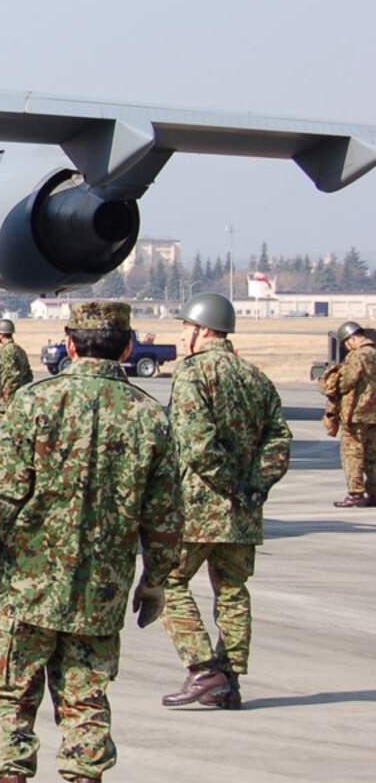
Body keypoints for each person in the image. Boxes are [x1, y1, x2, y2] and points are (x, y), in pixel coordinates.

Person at [0, 300, 181, 783]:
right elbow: (165, 517)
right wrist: (156, 580)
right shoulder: (150, 416)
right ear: (128, 348)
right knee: (86, 701)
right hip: (100, 594)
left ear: (70, 342)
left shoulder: (36, 402)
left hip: (28, 588)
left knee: (10, 699)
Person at [157, 292, 290, 712]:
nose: (183, 335)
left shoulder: (193, 374)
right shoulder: (256, 378)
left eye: (186, 328)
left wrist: (228, 483)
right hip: (243, 514)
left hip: (199, 507)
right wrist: (255, 485)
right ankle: (229, 679)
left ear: (203, 330)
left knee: (167, 583)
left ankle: (202, 669)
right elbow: (279, 441)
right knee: (233, 591)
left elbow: (195, 443)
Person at [319, 321, 376, 508]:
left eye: (346, 342)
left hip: (357, 413)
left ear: (352, 338)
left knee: (352, 454)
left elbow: (346, 382)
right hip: (373, 414)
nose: (346, 346)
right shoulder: (374, 353)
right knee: (372, 455)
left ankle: (356, 493)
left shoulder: (358, 356)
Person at [0, 318, 33, 414]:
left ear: (1, 335)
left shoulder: (5, 350)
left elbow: (12, 376)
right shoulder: (19, 350)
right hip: (22, 397)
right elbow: (29, 375)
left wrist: (7, 395)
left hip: (9, 402)